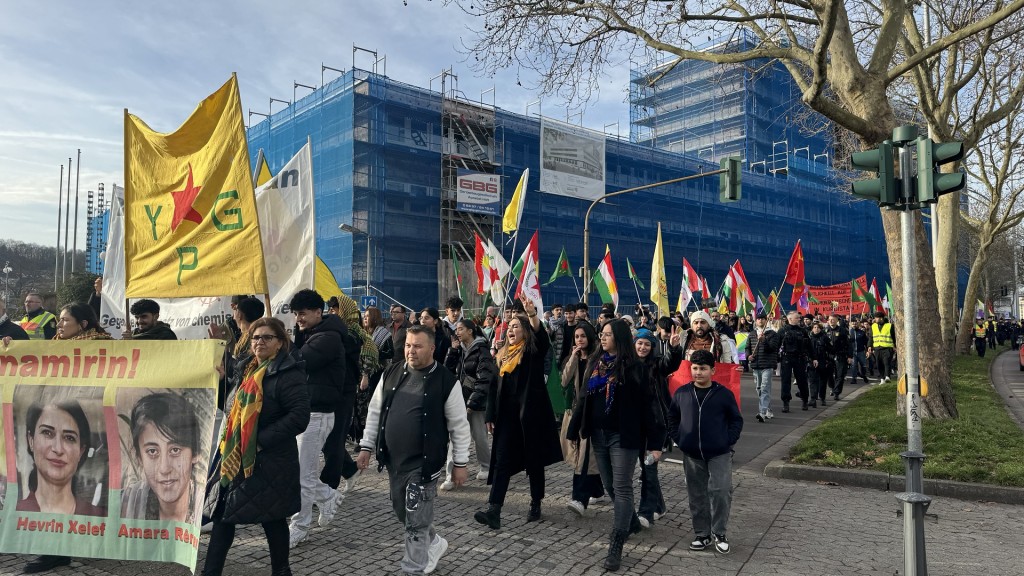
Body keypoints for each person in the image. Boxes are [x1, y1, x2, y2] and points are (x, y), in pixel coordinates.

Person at [356, 325, 472, 575]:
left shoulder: (446, 381)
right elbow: (375, 411)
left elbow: (459, 427)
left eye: (417, 346)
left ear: (431, 348)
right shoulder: (392, 372)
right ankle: (435, 542)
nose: (411, 350)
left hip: (423, 464)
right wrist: (366, 446)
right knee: (403, 511)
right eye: (408, 345)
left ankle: (413, 569)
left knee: (415, 523)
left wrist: (460, 464)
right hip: (393, 462)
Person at [202, 317, 310, 576]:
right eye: (255, 338)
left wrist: (259, 441)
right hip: (235, 456)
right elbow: (229, 408)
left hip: (270, 459)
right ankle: (210, 571)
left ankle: (281, 571)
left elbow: (299, 417)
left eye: (266, 337)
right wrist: (221, 383)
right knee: (223, 515)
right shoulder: (245, 369)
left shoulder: (288, 373)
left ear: (280, 343)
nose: (259, 342)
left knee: (272, 519)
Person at [566, 319, 664, 571]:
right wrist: (574, 429)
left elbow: (650, 407)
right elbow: (584, 398)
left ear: (619, 338)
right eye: (602, 334)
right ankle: (630, 520)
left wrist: (655, 443)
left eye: (608, 334)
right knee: (608, 484)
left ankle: (617, 541)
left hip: (624, 436)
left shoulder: (635, 369)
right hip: (598, 434)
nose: (603, 338)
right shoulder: (596, 364)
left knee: (621, 487)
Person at [474, 296, 562, 530]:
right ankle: (494, 510)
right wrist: (490, 415)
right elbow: (493, 387)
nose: (511, 330)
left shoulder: (532, 350)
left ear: (525, 331)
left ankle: (536, 501)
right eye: (509, 326)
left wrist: (532, 314)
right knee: (502, 460)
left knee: (534, 460)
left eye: (516, 326)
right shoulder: (502, 354)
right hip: (506, 417)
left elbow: (543, 340)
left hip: (530, 416)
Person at [667, 349, 743, 556]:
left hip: (719, 452)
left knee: (720, 491)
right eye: (695, 368)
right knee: (697, 494)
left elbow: (736, 419)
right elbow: (672, 418)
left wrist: (728, 440)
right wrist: (679, 439)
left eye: (703, 369)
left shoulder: (723, 394)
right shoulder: (682, 393)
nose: (698, 373)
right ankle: (702, 534)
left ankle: (719, 533)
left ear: (713, 371)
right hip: (691, 453)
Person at [288, 289, 346, 548]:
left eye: (302, 313)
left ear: (317, 311)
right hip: (306, 411)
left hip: (318, 414)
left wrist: (284, 341)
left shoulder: (328, 338)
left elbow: (300, 361)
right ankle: (328, 496)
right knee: (303, 473)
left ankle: (300, 526)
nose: (298, 318)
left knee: (303, 475)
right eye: (295, 314)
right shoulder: (310, 334)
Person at [121, 393, 201, 523]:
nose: (164, 468)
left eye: (175, 450)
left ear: (195, 454)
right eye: (152, 451)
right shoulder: (127, 504)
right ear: (139, 458)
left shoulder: (206, 507)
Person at [18, 399, 104, 515]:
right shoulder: (11, 517)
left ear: (81, 451)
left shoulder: (99, 518)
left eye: (69, 438)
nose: (58, 449)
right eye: (47, 433)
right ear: (31, 440)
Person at [633, 326, 681, 529]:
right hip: (635, 425)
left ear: (652, 347)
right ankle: (659, 506)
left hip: (656, 425)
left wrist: (674, 348)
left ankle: (646, 512)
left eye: (647, 344)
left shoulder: (657, 364)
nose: (643, 347)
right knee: (644, 469)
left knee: (649, 469)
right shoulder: (628, 364)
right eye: (639, 343)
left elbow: (670, 363)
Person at [441, 318, 497, 489]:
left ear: (470, 331)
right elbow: (447, 370)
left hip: (476, 401)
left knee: (480, 435)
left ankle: (487, 466)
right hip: (458, 399)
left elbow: (485, 378)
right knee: (455, 437)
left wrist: (472, 403)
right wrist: (452, 350)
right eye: (456, 329)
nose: (457, 332)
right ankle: (450, 476)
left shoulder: (482, 350)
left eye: (460, 329)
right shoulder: (459, 350)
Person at [560, 321, 604, 517]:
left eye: (583, 336)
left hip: (593, 413)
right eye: (577, 337)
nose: (580, 340)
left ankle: (579, 498)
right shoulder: (576, 358)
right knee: (583, 453)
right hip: (577, 410)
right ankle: (597, 489)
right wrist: (573, 357)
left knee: (585, 455)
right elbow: (564, 380)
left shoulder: (598, 359)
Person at [747, 313, 780, 422]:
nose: (760, 321)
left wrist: (763, 340)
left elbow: (773, 348)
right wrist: (748, 356)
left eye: (762, 319)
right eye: (758, 319)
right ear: (755, 321)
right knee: (759, 388)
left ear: (766, 321)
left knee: (765, 387)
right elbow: (747, 348)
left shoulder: (772, 334)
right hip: (756, 365)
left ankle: (762, 412)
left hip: (767, 365)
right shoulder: (752, 334)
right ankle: (768, 409)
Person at [777, 311, 812, 412]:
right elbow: (777, 346)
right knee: (785, 381)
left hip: (800, 358)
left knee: (802, 381)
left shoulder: (803, 331)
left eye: (799, 318)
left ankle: (805, 400)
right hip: (786, 358)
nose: (799, 319)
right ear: (790, 319)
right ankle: (786, 402)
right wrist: (775, 360)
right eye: (797, 318)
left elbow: (809, 346)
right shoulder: (782, 331)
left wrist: (813, 357)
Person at [807, 322, 833, 408]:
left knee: (823, 382)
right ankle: (813, 399)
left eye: (818, 327)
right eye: (814, 327)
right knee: (813, 381)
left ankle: (822, 398)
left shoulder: (825, 338)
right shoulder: (809, 338)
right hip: (812, 362)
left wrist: (828, 361)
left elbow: (831, 350)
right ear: (812, 329)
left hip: (823, 362)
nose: (816, 329)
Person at [825, 315, 851, 400]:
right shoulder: (825, 330)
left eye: (833, 320)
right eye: (830, 320)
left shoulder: (842, 330)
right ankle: (832, 387)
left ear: (837, 321)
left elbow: (848, 344)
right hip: (829, 356)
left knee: (839, 375)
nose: (831, 321)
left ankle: (836, 393)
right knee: (828, 374)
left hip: (840, 355)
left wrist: (849, 356)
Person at [869, 312, 896, 383]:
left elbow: (894, 337)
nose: (875, 319)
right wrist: (869, 346)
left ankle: (887, 376)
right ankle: (882, 378)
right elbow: (871, 337)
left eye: (876, 317)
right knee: (878, 364)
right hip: (877, 348)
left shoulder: (890, 326)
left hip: (887, 347)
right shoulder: (873, 326)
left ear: (881, 318)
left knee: (886, 362)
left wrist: (895, 346)